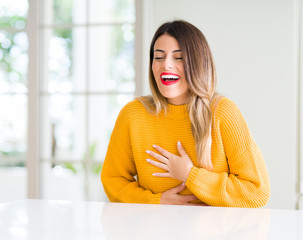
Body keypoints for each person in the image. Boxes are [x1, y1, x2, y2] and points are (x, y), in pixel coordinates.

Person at [101, 20, 270, 207]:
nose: (166, 65)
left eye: (178, 57)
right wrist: (155, 201)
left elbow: (257, 192)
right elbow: (113, 180)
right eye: (158, 57)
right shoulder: (133, 114)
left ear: (197, 63)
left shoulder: (222, 112)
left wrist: (190, 175)